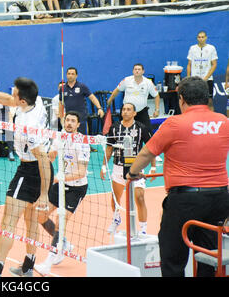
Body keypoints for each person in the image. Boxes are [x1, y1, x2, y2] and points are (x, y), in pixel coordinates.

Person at [126, 76, 229, 277]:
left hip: (184, 201)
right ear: (207, 98)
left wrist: (132, 173)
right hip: (219, 200)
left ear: (181, 99)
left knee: (172, 256)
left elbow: (147, 153)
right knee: (209, 255)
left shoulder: (174, 123)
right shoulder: (223, 121)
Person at [0, 77, 53, 277]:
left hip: (31, 170)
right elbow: (7, 99)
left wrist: (44, 194)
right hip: (41, 166)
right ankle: (28, 268)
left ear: (22, 101)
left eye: (15, 93)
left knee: (8, 223)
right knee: (31, 221)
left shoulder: (28, 126)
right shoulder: (36, 100)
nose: (11, 94)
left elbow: (41, 159)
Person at [35, 111, 90, 276]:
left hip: (76, 188)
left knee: (61, 220)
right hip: (59, 184)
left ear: (78, 125)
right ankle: (63, 243)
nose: (69, 123)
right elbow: (51, 157)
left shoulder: (83, 142)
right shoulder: (59, 137)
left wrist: (61, 177)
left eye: (73, 121)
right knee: (41, 215)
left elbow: (81, 172)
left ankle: (48, 263)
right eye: (67, 120)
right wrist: (45, 158)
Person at [100, 102, 156, 235]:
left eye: (129, 109)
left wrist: (153, 167)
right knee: (115, 198)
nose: (125, 112)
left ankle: (143, 229)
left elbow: (151, 147)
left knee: (140, 198)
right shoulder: (114, 128)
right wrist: (103, 166)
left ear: (134, 113)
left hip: (136, 168)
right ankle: (116, 219)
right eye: (123, 109)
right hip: (118, 168)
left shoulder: (141, 128)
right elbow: (109, 149)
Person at [107, 63, 160, 133]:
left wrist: (157, 110)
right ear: (133, 71)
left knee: (148, 132)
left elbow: (156, 96)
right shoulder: (126, 80)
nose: (137, 71)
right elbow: (117, 90)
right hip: (127, 112)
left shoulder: (148, 82)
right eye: (135, 69)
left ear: (143, 71)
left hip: (141, 112)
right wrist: (109, 101)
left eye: (139, 69)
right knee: (122, 132)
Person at [59, 67, 105, 136]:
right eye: (69, 74)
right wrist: (61, 117)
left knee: (82, 140)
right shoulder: (62, 88)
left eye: (72, 74)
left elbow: (92, 97)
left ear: (76, 75)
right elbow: (60, 103)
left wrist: (99, 108)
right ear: (66, 75)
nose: (70, 75)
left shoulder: (82, 86)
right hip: (69, 119)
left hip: (81, 119)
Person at [187, 30, 218, 110]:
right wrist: (188, 79)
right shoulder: (192, 48)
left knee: (209, 101)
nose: (201, 39)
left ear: (206, 38)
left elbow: (214, 65)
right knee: (194, 102)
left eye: (202, 37)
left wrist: (206, 78)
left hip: (207, 80)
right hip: (195, 80)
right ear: (197, 38)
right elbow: (189, 64)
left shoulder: (211, 48)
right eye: (199, 37)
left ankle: (211, 120)